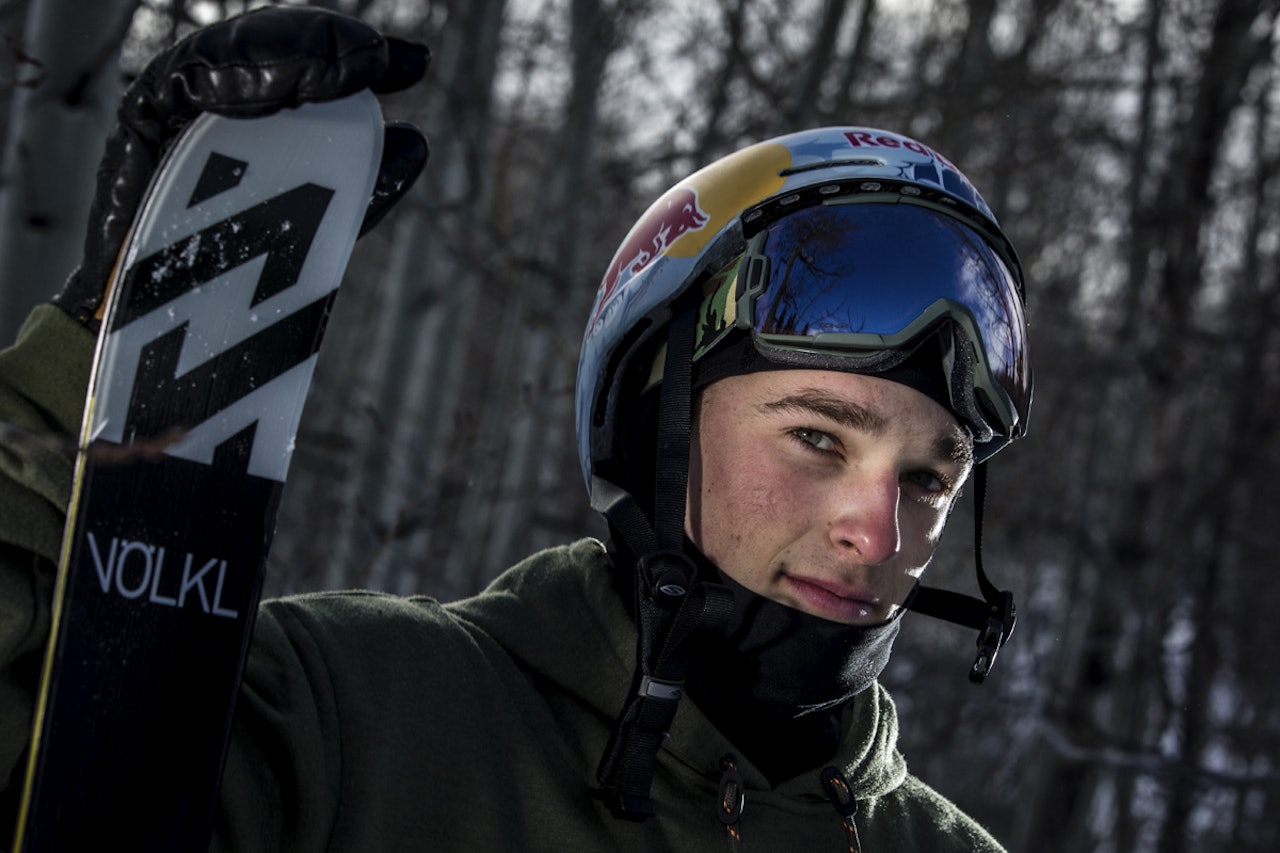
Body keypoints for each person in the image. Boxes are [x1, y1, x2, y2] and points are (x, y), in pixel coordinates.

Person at [0, 6, 1031, 851]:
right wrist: (76, 386)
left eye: (927, 478)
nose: (876, 534)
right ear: (650, 421)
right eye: (815, 438)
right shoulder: (354, 721)